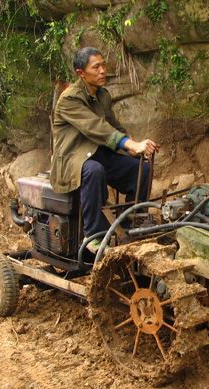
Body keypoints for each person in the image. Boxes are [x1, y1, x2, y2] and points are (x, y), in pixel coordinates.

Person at [50, 47, 159, 253]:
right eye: (96, 67)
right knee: (94, 170)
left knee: (140, 169)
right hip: (73, 160)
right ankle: (94, 236)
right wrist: (129, 144)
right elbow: (96, 127)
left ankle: (131, 223)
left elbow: (113, 126)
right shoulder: (70, 99)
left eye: (103, 65)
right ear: (81, 73)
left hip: (98, 154)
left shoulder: (102, 95)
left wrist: (135, 147)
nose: (102, 71)